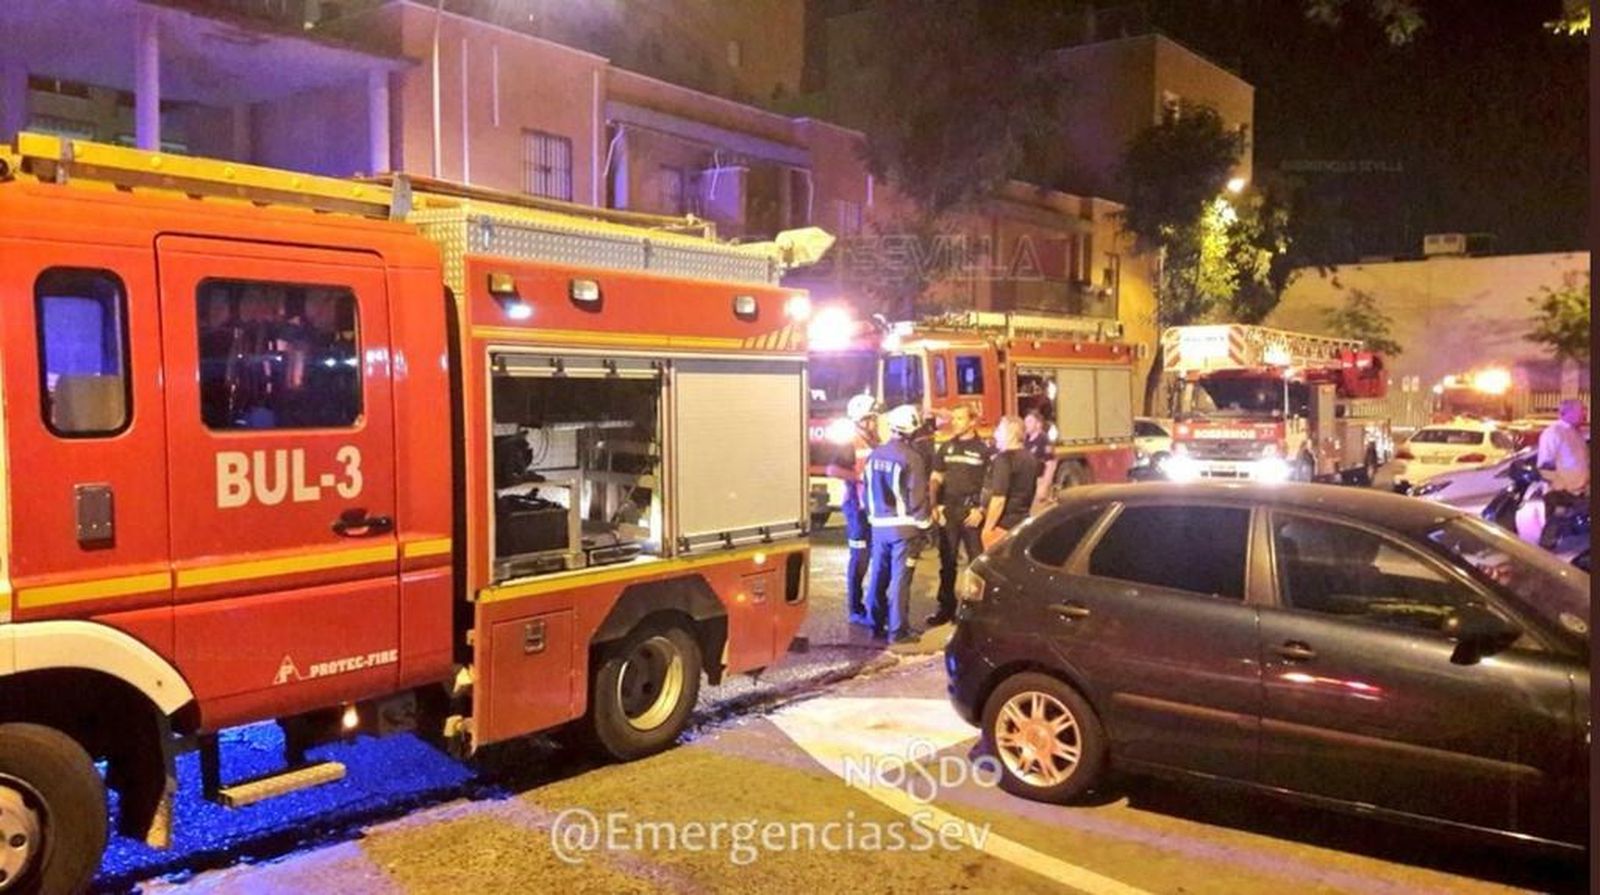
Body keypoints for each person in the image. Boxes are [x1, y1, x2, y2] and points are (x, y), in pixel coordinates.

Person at [863, 404, 933, 643]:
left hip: (878, 526)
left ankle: (874, 624)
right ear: (912, 430)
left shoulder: (874, 455)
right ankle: (898, 630)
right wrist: (926, 525)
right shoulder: (912, 458)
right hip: (904, 529)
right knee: (900, 579)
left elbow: (867, 491)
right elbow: (917, 497)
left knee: (878, 575)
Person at [927, 403, 992, 626]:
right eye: (953, 418)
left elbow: (990, 483)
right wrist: (934, 505)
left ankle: (975, 612)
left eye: (960, 418)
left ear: (972, 421)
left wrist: (981, 509)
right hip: (949, 511)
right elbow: (936, 477)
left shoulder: (983, 450)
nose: (955, 423)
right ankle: (945, 608)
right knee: (947, 561)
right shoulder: (946, 447)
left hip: (971, 512)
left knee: (976, 564)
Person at [825, 394, 883, 627]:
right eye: (870, 418)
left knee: (875, 556)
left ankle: (872, 605)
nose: (874, 422)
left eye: (874, 418)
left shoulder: (874, 439)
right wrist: (859, 477)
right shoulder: (850, 442)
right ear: (860, 419)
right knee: (860, 558)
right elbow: (832, 469)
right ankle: (855, 608)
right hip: (857, 507)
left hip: (873, 506)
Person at [981, 415, 1041, 550]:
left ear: (1011, 433)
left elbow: (999, 499)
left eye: (999, 430)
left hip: (1002, 527)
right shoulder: (1030, 458)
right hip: (1022, 524)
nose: (995, 434)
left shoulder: (1004, 460)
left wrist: (988, 529)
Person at [1536, 398, 1589, 549]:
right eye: (1581, 410)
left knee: (1567, 533)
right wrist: (1560, 487)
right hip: (1560, 492)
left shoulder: (1576, 433)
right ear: (1568, 412)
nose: (1585, 414)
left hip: (1578, 491)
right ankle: (1542, 559)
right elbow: (1545, 465)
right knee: (1551, 533)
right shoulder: (1553, 432)